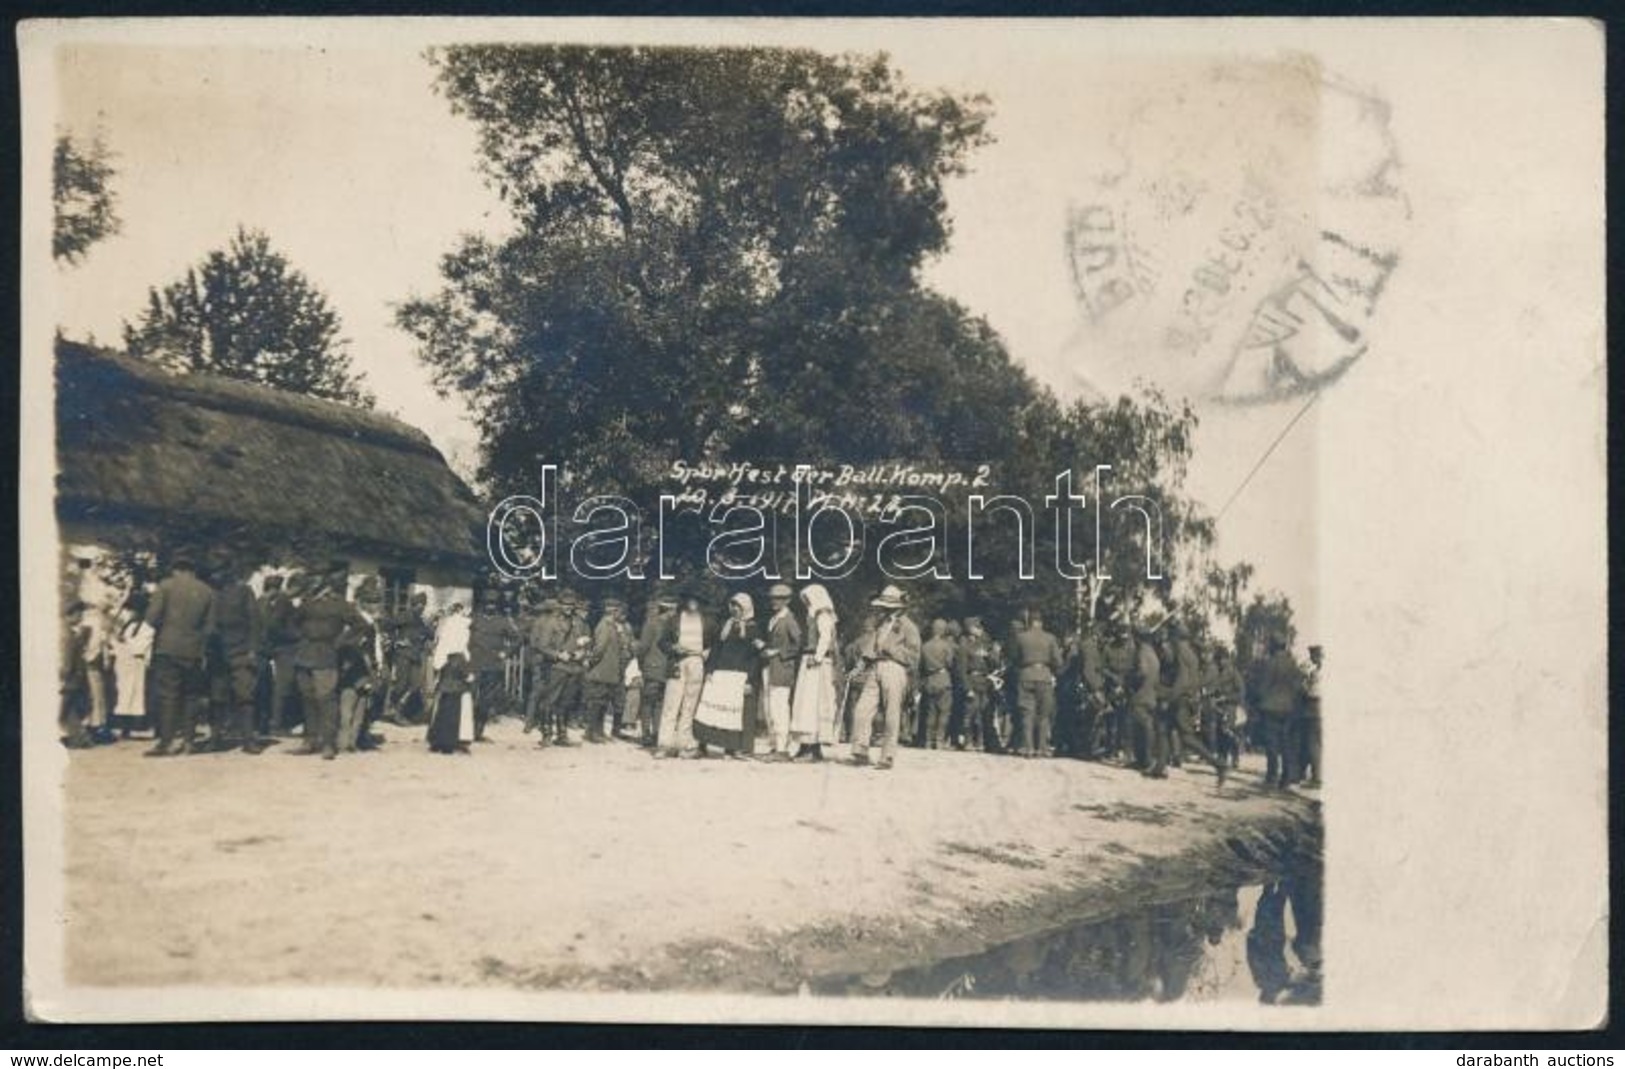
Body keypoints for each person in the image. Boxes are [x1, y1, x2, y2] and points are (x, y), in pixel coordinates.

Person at [143, 553, 216, 757]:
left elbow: (151, 618)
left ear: (176, 569)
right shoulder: (207, 591)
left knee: (168, 695)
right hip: (194, 651)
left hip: (168, 648)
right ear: (193, 570)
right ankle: (189, 742)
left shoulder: (166, 586)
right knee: (191, 696)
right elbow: (210, 628)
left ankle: (166, 743)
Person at [291, 566, 366, 760]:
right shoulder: (306, 602)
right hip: (304, 654)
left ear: (324, 582)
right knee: (307, 698)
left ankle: (328, 743)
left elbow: (360, 625)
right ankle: (309, 740)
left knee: (326, 700)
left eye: (315, 579)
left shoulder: (339, 604)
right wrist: (299, 638)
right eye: (310, 579)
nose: (311, 583)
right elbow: (292, 622)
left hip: (326, 655)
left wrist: (341, 642)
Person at [850, 585, 920, 770]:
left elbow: (914, 656)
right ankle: (860, 749)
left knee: (891, 713)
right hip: (875, 666)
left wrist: (893, 650)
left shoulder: (908, 627)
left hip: (895, 668)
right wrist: (859, 666)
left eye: (887, 606)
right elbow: (871, 647)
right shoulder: (882, 623)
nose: (882, 609)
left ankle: (887, 756)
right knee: (862, 709)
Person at [693, 592, 759, 758]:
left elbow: (754, 657)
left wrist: (750, 679)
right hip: (720, 674)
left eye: (739, 606)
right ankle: (702, 745)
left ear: (746, 608)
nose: (735, 609)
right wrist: (709, 671)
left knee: (732, 715)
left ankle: (731, 748)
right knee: (709, 711)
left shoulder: (753, 628)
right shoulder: (725, 626)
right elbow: (716, 649)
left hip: (738, 676)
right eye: (733, 605)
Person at [209, 562, 265, 754]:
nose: (215, 575)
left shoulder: (243, 592)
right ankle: (215, 739)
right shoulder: (211, 593)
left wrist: (252, 650)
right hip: (217, 652)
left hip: (240, 651)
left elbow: (255, 622)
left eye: (219, 570)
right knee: (217, 697)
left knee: (245, 696)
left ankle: (248, 740)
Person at [1162, 620, 1227, 785]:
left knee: (1187, 738)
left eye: (1172, 636)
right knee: (1163, 728)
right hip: (1187, 697)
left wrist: (1171, 697)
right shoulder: (1191, 653)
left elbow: (1182, 679)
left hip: (1181, 699)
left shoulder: (1181, 652)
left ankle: (1218, 764)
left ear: (1177, 637)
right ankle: (1159, 766)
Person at [655, 583, 714, 759]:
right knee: (671, 704)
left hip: (697, 663)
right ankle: (664, 745)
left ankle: (684, 745)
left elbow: (715, 645)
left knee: (690, 706)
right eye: (690, 599)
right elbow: (662, 642)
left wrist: (707, 653)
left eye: (696, 600)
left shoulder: (708, 622)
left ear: (700, 602)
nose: (693, 603)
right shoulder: (674, 620)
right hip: (678, 663)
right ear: (685, 601)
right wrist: (673, 648)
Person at [787, 584, 839, 762]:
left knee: (810, 705)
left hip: (816, 665)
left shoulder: (823, 615)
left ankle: (810, 748)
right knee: (806, 705)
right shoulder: (814, 616)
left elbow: (825, 638)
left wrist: (817, 657)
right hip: (810, 663)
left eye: (809, 599)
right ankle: (809, 747)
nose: (806, 602)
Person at [1246, 631, 1304, 789]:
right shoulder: (1292, 663)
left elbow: (1262, 688)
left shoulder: (1270, 663)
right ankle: (1286, 778)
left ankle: (1271, 777)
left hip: (1270, 708)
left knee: (1272, 744)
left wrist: (1257, 700)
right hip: (1288, 708)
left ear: (1272, 645)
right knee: (1285, 743)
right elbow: (1298, 686)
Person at [336, 578, 383, 753]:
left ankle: (352, 742)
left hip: (365, 669)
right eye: (372, 602)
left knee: (361, 708)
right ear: (362, 603)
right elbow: (356, 648)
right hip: (355, 668)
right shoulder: (357, 622)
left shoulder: (371, 623)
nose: (376, 606)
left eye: (377, 602)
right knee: (348, 707)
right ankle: (344, 742)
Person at [757, 584, 801, 761]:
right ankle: (775, 745)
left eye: (780, 599)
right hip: (770, 667)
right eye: (773, 598)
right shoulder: (774, 618)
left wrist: (777, 652)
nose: (775, 601)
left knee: (779, 708)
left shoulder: (789, 619)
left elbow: (797, 644)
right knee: (769, 708)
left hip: (782, 669)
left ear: (787, 600)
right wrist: (766, 648)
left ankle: (782, 749)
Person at [581, 597, 633, 744]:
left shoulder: (612, 625)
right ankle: (591, 733)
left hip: (608, 670)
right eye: (617, 610)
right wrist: (591, 662)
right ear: (612, 611)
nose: (619, 613)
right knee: (597, 702)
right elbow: (599, 649)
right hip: (602, 670)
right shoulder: (605, 625)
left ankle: (598, 731)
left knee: (602, 702)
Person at [426, 601, 473, 755]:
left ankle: (437, 739)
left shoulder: (446, 626)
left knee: (443, 706)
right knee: (456, 707)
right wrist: (468, 671)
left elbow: (439, 655)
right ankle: (451, 740)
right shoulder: (463, 625)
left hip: (446, 667)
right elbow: (462, 649)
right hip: (457, 666)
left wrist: (439, 666)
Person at [260, 573, 301, 736]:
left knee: (279, 686)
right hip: (284, 648)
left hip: (275, 647)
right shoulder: (284, 601)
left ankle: (272, 722)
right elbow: (274, 625)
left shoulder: (270, 601)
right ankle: (276, 724)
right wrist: (296, 635)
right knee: (283, 686)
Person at [635, 591, 677, 748]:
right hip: (662, 669)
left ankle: (649, 734)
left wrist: (641, 665)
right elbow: (644, 647)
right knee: (657, 703)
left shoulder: (652, 623)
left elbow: (642, 648)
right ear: (668, 610)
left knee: (649, 703)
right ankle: (653, 733)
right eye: (673, 610)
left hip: (654, 668)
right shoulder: (670, 625)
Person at [468, 589, 510, 741]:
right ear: (483, 604)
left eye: (493, 603)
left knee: (486, 701)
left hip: (492, 666)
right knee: (469, 697)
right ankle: (465, 731)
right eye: (488, 603)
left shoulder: (503, 621)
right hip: (474, 665)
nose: (490, 606)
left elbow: (517, 638)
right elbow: (463, 636)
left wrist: (506, 652)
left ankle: (478, 732)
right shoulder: (474, 620)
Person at [109, 603, 154, 738]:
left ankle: (137, 726)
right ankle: (122, 726)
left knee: (135, 693)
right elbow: (117, 644)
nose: (131, 614)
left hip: (136, 664)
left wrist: (125, 641)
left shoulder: (147, 628)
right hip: (123, 664)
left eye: (133, 610)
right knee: (123, 693)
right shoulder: (127, 626)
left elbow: (139, 647)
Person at [956, 617, 1000, 752]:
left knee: (983, 714)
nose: (981, 630)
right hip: (972, 682)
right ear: (970, 629)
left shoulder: (985, 646)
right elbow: (961, 670)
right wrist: (967, 688)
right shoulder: (964, 647)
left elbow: (995, 666)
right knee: (969, 714)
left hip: (984, 683)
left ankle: (980, 742)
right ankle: (968, 742)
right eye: (977, 627)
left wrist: (993, 655)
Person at [1129, 621, 1164, 777]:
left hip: (1141, 694)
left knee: (1142, 728)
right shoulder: (1153, 652)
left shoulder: (1142, 652)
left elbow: (1142, 672)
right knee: (1145, 727)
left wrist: (1130, 679)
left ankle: (1146, 760)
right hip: (1151, 694)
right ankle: (1143, 760)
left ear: (1137, 637)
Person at [917, 619, 956, 750]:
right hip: (943, 679)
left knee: (930, 712)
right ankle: (939, 741)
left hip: (929, 680)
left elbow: (920, 666)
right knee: (944, 712)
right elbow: (950, 664)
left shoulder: (924, 646)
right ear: (943, 630)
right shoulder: (946, 646)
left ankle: (928, 741)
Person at [1298, 645, 1324, 788]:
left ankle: (1317, 778)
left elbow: (1310, 692)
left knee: (1313, 744)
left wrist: (1303, 684)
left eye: (1313, 656)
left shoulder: (1316, 673)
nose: (1311, 659)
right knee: (1318, 744)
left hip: (1314, 709)